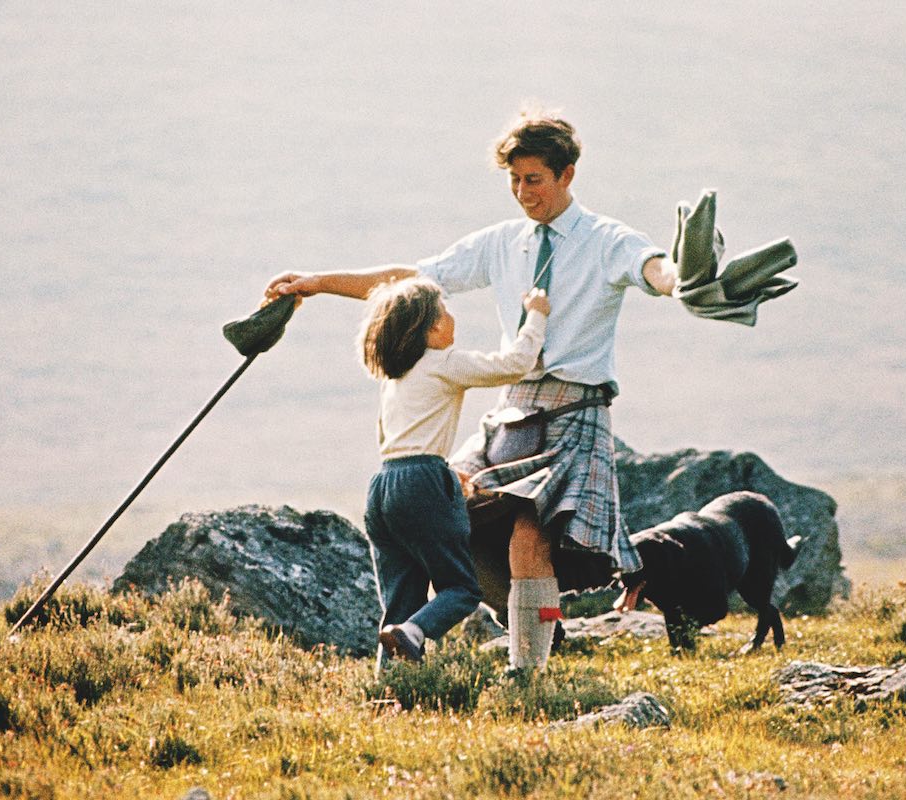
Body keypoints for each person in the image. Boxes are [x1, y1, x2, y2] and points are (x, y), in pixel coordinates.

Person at [266, 108, 678, 671]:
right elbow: (408, 281)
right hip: (512, 410)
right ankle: (458, 649)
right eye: (514, 180)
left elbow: (653, 268)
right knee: (462, 529)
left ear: (567, 175)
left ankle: (527, 674)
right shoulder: (501, 243)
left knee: (528, 541)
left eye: (533, 179)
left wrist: (683, 280)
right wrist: (317, 284)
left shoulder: (608, 238)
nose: (521, 192)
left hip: (576, 408)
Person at [357, 276, 551, 670]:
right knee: (461, 588)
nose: (452, 317)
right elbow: (514, 364)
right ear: (429, 328)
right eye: (444, 311)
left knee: (400, 600)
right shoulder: (443, 362)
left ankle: (389, 686)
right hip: (422, 479)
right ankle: (413, 634)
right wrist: (536, 316)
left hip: (382, 485)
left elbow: (390, 436)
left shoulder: (394, 378)